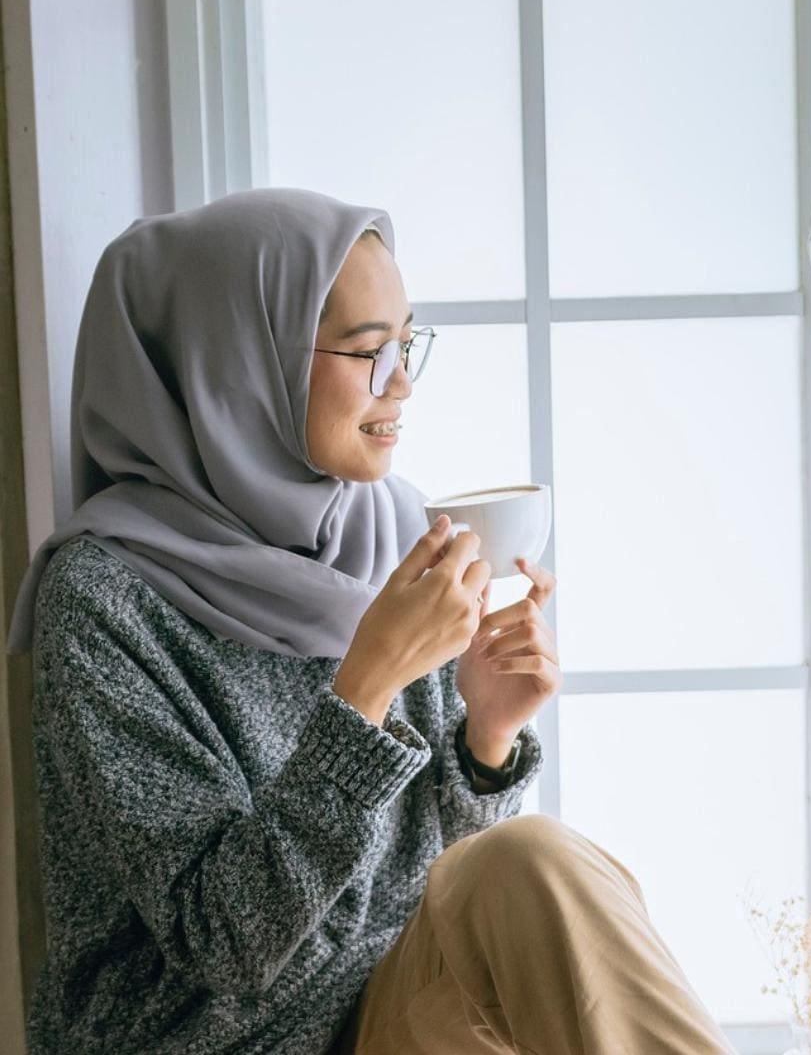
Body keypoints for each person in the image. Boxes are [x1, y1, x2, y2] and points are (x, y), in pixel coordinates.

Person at [6, 188, 737, 1054]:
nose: (401, 386)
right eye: (365, 351)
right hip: (213, 1041)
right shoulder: (103, 599)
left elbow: (429, 885)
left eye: (406, 344)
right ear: (237, 364)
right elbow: (226, 944)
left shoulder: (383, 531)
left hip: (378, 1013)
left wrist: (485, 740)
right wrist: (367, 686)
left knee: (531, 859)